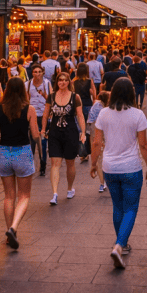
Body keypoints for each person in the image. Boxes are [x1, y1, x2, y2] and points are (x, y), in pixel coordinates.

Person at [90, 77, 147, 269]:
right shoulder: (138, 115)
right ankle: (119, 245)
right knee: (131, 208)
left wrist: (93, 163)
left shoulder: (103, 114)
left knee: (117, 207)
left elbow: (97, 142)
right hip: (131, 167)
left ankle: (122, 244)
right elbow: (143, 144)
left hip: (110, 167)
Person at [0, 77, 40, 249]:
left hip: (4, 152)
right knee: (24, 196)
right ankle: (13, 227)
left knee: (9, 196)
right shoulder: (29, 109)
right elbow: (34, 134)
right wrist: (40, 137)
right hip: (23, 152)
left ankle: (9, 234)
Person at [44, 70, 86, 204]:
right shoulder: (51, 97)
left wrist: (83, 132)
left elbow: (80, 116)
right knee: (55, 163)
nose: (62, 82)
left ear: (69, 82)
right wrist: (43, 130)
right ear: (57, 82)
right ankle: (55, 193)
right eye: (60, 80)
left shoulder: (75, 97)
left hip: (70, 132)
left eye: (65, 80)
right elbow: (45, 114)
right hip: (55, 132)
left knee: (70, 163)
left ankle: (69, 189)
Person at [25, 64, 51, 177]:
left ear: (42, 73)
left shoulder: (47, 83)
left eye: (39, 72)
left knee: (43, 142)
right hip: (32, 116)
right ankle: (30, 165)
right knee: (31, 141)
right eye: (35, 72)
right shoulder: (27, 84)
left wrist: (44, 95)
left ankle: (43, 165)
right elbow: (26, 100)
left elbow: (51, 99)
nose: (37, 74)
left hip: (43, 115)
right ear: (32, 73)